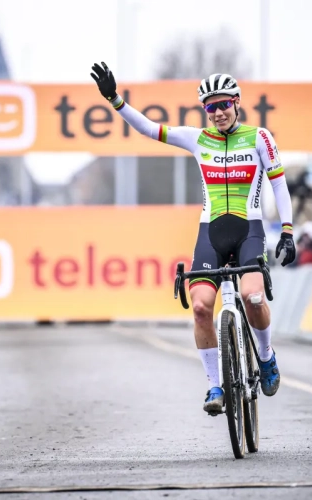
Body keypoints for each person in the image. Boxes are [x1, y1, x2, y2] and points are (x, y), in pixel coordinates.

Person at [90, 62, 296, 415]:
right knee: (200, 306)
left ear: (237, 102)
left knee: (253, 294)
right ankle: (215, 385)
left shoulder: (260, 137)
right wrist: (114, 99)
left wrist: (288, 231)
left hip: (249, 230)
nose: (217, 113)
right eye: (210, 107)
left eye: (223, 104)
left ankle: (265, 357)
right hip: (210, 234)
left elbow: (278, 183)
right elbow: (148, 129)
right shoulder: (197, 138)